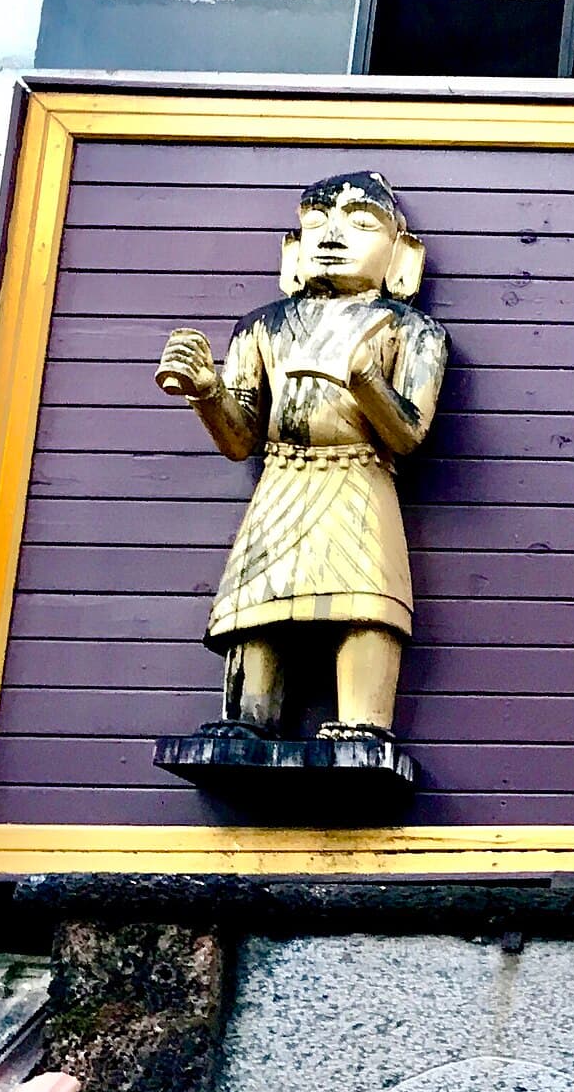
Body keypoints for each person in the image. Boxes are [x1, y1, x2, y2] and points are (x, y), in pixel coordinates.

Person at [152, 170, 448, 748]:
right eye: (315, 221)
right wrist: (206, 391)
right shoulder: (263, 327)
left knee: (365, 603)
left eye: (361, 223)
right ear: (292, 248)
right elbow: (241, 440)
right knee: (256, 603)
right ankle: (249, 718)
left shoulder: (410, 330)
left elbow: (408, 433)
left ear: (402, 253)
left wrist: (363, 379)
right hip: (281, 476)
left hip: (360, 474)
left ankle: (364, 722)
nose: (333, 234)